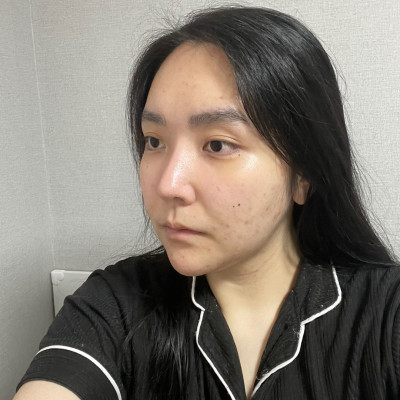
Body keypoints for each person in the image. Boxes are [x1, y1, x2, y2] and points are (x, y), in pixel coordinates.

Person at [14, 6, 400, 400]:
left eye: (217, 144)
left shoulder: (385, 316)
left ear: (303, 174)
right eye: (154, 141)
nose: (168, 184)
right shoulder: (114, 305)